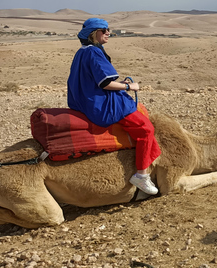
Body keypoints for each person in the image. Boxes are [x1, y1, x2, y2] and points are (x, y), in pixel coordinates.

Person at [67, 18, 161, 195]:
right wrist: (128, 86)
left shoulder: (82, 51)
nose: (108, 32)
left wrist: (118, 82)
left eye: (108, 29)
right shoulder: (94, 52)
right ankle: (141, 175)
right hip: (100, 103)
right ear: (94, 34)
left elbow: (100, 80)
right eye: (104, 30)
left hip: (85, 100)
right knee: (146, 129)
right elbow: (105, 85)